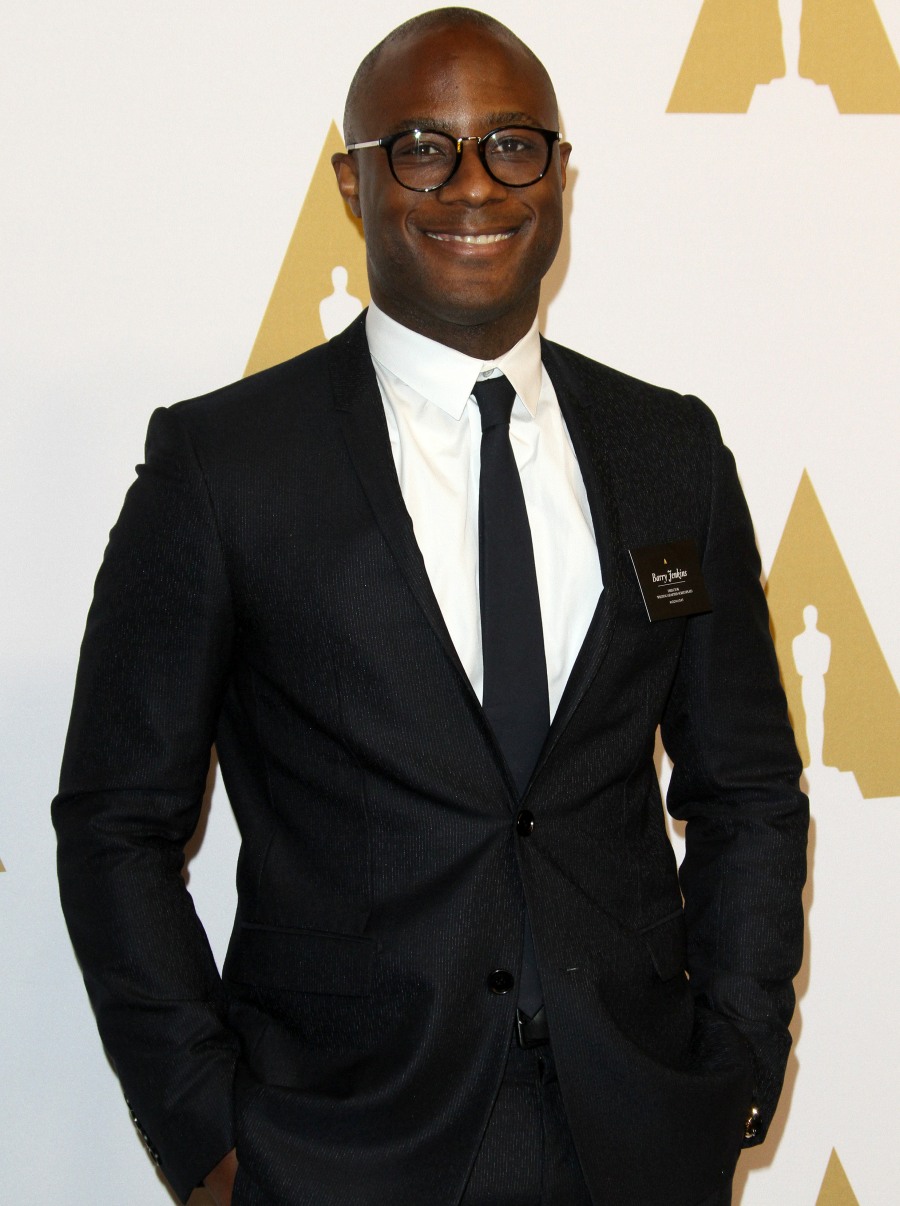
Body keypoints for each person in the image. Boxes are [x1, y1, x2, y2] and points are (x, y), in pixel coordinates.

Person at [52, 9, 808, 1206]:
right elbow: (114, 824)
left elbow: (748, 789)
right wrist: (205, 1133)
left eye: (512, 145)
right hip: (338, 1145)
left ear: (559, 176)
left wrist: (738, 1063)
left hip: (637, 1135)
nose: (473, 184)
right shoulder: (224, 467)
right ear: (352, 184)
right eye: (420, 148)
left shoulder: (671, 452)